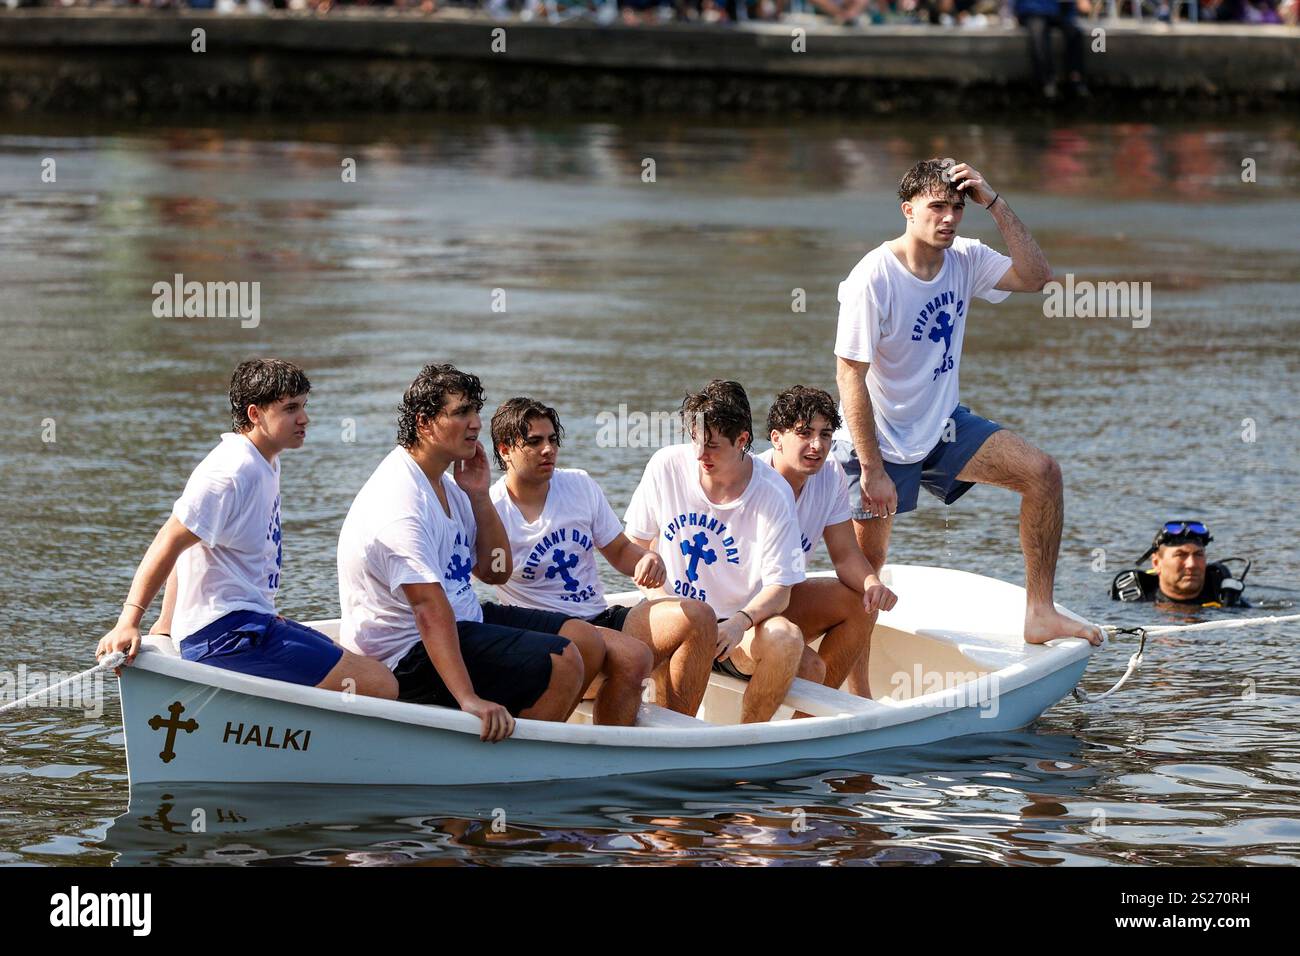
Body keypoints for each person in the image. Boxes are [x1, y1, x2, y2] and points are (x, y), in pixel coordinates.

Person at [832, 158, 1104, 649]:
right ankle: (857, 691)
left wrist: (994, 202)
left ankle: (1039, 613)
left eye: (957, 207)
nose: (949, 218)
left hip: (942, 428)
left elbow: (1037, 276)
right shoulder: (873, 277)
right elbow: (849, 374)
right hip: (880, 439)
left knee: (1042, 474)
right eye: (937, 207)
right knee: (867, 578)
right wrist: (871, 467)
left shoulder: (965, 257)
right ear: (908, 210)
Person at [95, 359, 397, 701]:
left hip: (249, 623)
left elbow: (196, 542)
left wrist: (166, 624)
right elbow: (171, 539)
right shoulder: (231, 471)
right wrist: (129, 621)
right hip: (227, 637)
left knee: (360, 659)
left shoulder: (265, 459)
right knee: (381, 683)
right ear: (255, 414)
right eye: (290, 408)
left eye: (304, 406)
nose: (304, 419)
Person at [337, 364, 591, 743]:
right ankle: (517, 769)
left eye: (476, 411)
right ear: (424, 423)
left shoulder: (449, 486)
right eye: (461, 413)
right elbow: (427, 609)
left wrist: (478, 494)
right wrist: (469, 698)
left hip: (459, 619)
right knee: (563, 661)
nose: (475, 424)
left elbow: (494, 571)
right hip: (405, 654)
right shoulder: (400, 501)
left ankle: (522, 734)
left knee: (582, 637)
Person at [489, 397, 717, 721]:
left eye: (553, 440)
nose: (548, 449)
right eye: (534, 441)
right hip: (548, 637)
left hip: (600, 618)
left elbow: (621, 551)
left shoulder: (579, 485)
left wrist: (647, 558)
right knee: (633, 656)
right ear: (505, 449)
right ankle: (610, 753)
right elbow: (483, 575)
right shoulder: (490, 510)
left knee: (698, 616)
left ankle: (677, 737)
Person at [624, 380, 809, 724]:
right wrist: (663, 601)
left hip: (735, 631)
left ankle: (746, 739)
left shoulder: (773, 492)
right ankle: (660, 734)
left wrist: (740, 623)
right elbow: (633, 547)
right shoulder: (665, 466)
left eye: (710, 446)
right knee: (683, 624)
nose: (698, 455)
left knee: (787, 638)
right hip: (673, 611)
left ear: (742, 441)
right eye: (694, 440)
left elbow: (780, 591)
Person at [758, 385, 898, 699]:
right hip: (740, 608)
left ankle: (805, 727)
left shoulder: (830, 473)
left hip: (784, 601)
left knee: (863, 604)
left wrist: (873, 584)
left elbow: (846, 555)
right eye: (805, 433)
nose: (817, 445)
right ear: (777, 438)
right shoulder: (751, 479)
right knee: (812, 668)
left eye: (825, 434)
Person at [1110, 521, 1250, 608]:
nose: (1192, 564)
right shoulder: (1132, 601)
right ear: (1157, 563)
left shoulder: (1227, 600)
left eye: (1198, 554)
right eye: (1180, 555)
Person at [1014, 0, 1088, 102]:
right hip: (1034, 11)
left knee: (1075, 33)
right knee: (1038, 36)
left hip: (1057, 11)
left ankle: (1075, 77)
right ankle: (1047, 81)